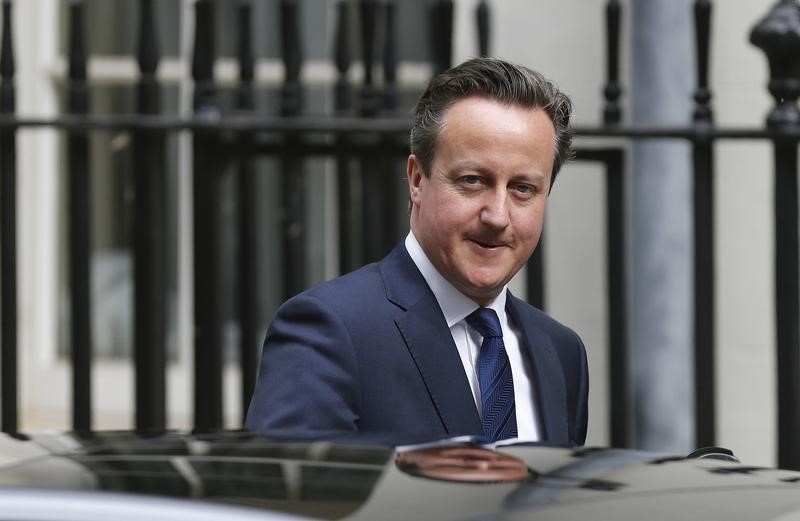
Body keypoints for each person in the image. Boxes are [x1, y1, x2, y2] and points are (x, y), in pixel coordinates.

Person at [245, 57, 588, 446]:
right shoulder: (331, 332)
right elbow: (284, 500)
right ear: (417, 179)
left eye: (522, 188)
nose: (497, 215)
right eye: (473, 181)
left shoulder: (562, 354)